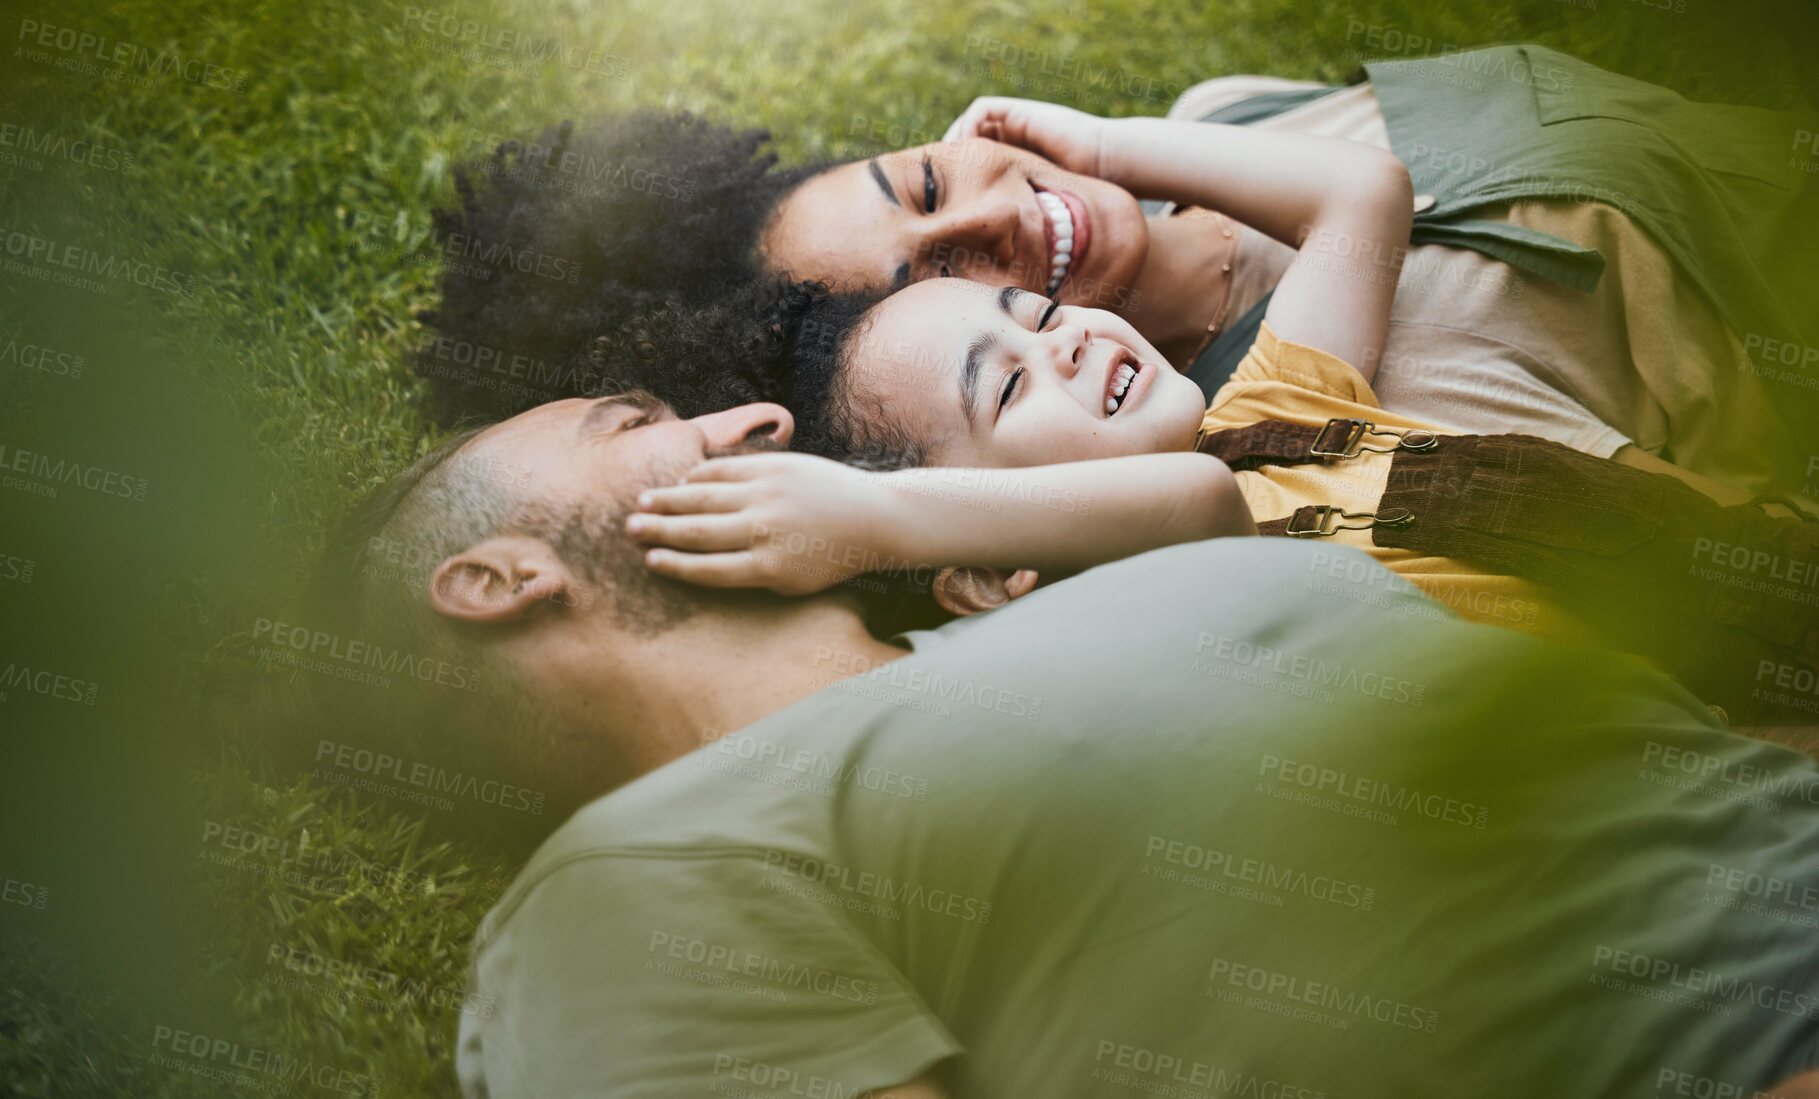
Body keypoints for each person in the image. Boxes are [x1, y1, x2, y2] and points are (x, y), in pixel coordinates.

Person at [306, 390, 1819, 1097]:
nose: (754, 418)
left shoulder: (1039, 612)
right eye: (635, 417)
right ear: (497, 577)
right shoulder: (618, 895)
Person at [611, 115, 1819, 724]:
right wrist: (871, 522)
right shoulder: (1158, 609)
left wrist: (1094, 144)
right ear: (987, 567)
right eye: (1011, 383)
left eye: (1031, 308)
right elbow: (1191, 507)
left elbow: (1359, 191)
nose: (1067, 331)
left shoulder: (1281, 410)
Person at [421, 47, 1817, 497]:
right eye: (946, 269)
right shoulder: (1327, 414)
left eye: (920, 182)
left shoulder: (1219, 124)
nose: (999, 223)